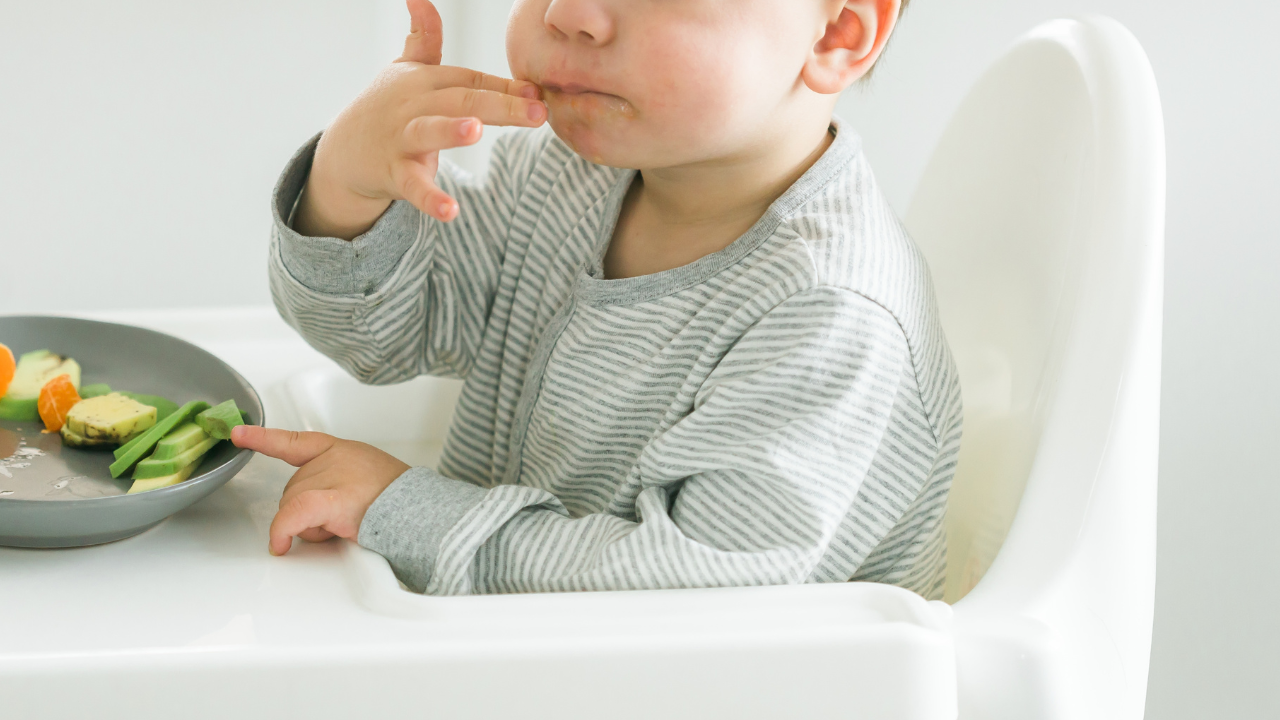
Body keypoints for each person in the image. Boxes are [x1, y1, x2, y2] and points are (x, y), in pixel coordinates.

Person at [233, 0, 962, 599]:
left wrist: (401, 509)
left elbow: (695, 597)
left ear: (837, 33)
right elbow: (386, 335)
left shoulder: (831, 315)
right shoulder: (568, 173)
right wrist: (347, 186)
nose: (568, 13)